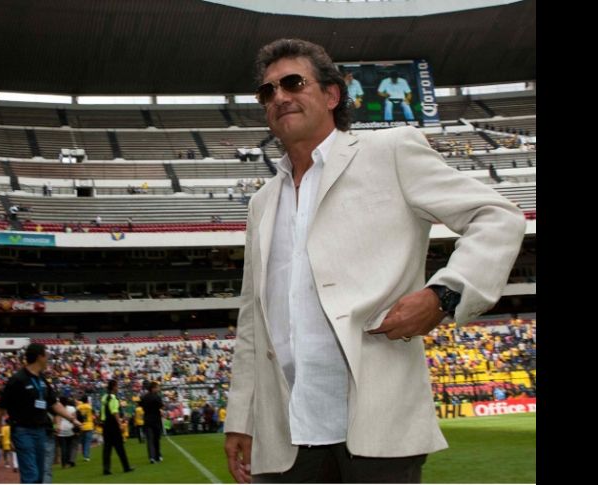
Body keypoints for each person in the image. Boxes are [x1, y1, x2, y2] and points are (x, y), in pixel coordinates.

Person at [224, 38, 525, 484]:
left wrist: (444, 294)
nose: (279, 97)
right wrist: (241, 418)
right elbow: (253, 318)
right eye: (267, 92)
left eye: (292, 82)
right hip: (286, 431)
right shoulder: (262, 203)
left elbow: (497, 216)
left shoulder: (390, 152)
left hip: (377, 425)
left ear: (331, 94)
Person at [0, 344, 81, 484]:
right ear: (39, 357)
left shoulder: (42, 380)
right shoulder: (17, 380)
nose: (48, 358)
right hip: (22, 431)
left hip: (40, 431)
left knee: (39, 476)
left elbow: (54, 403)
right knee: (30, 474)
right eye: (46, 355)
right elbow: (0, 408)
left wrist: (71, 418)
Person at [101, 379, 135, 475]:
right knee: (119, 447)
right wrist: (119, 424)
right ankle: (126, 467)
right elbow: (114, 412)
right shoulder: (113, 398)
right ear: (114, 387)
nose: (118, 388)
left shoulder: (104, 397)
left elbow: (105, 410)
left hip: (105, 424)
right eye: (117, 386)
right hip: (113, 425)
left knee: (107, 448)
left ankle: (106, 469)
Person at [139, 381, 165, 464]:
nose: (158, 389)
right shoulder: (157, 397)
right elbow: (161, 406)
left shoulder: (144, 397)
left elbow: (141, 406)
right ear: (153, 388)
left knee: (150, 439)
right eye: (157, 387)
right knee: (156, 438)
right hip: (156, 420)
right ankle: (158, 456)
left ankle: (151, 457)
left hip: (147, 419)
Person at [76, 395, 95, 462]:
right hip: (89, 425)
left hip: (81, 425)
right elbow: (93, 414)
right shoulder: (89, 407)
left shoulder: (78, 407)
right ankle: (86, 456)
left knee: (83, 442)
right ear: (87, 400)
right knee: (87, 442)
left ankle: (84, 454)